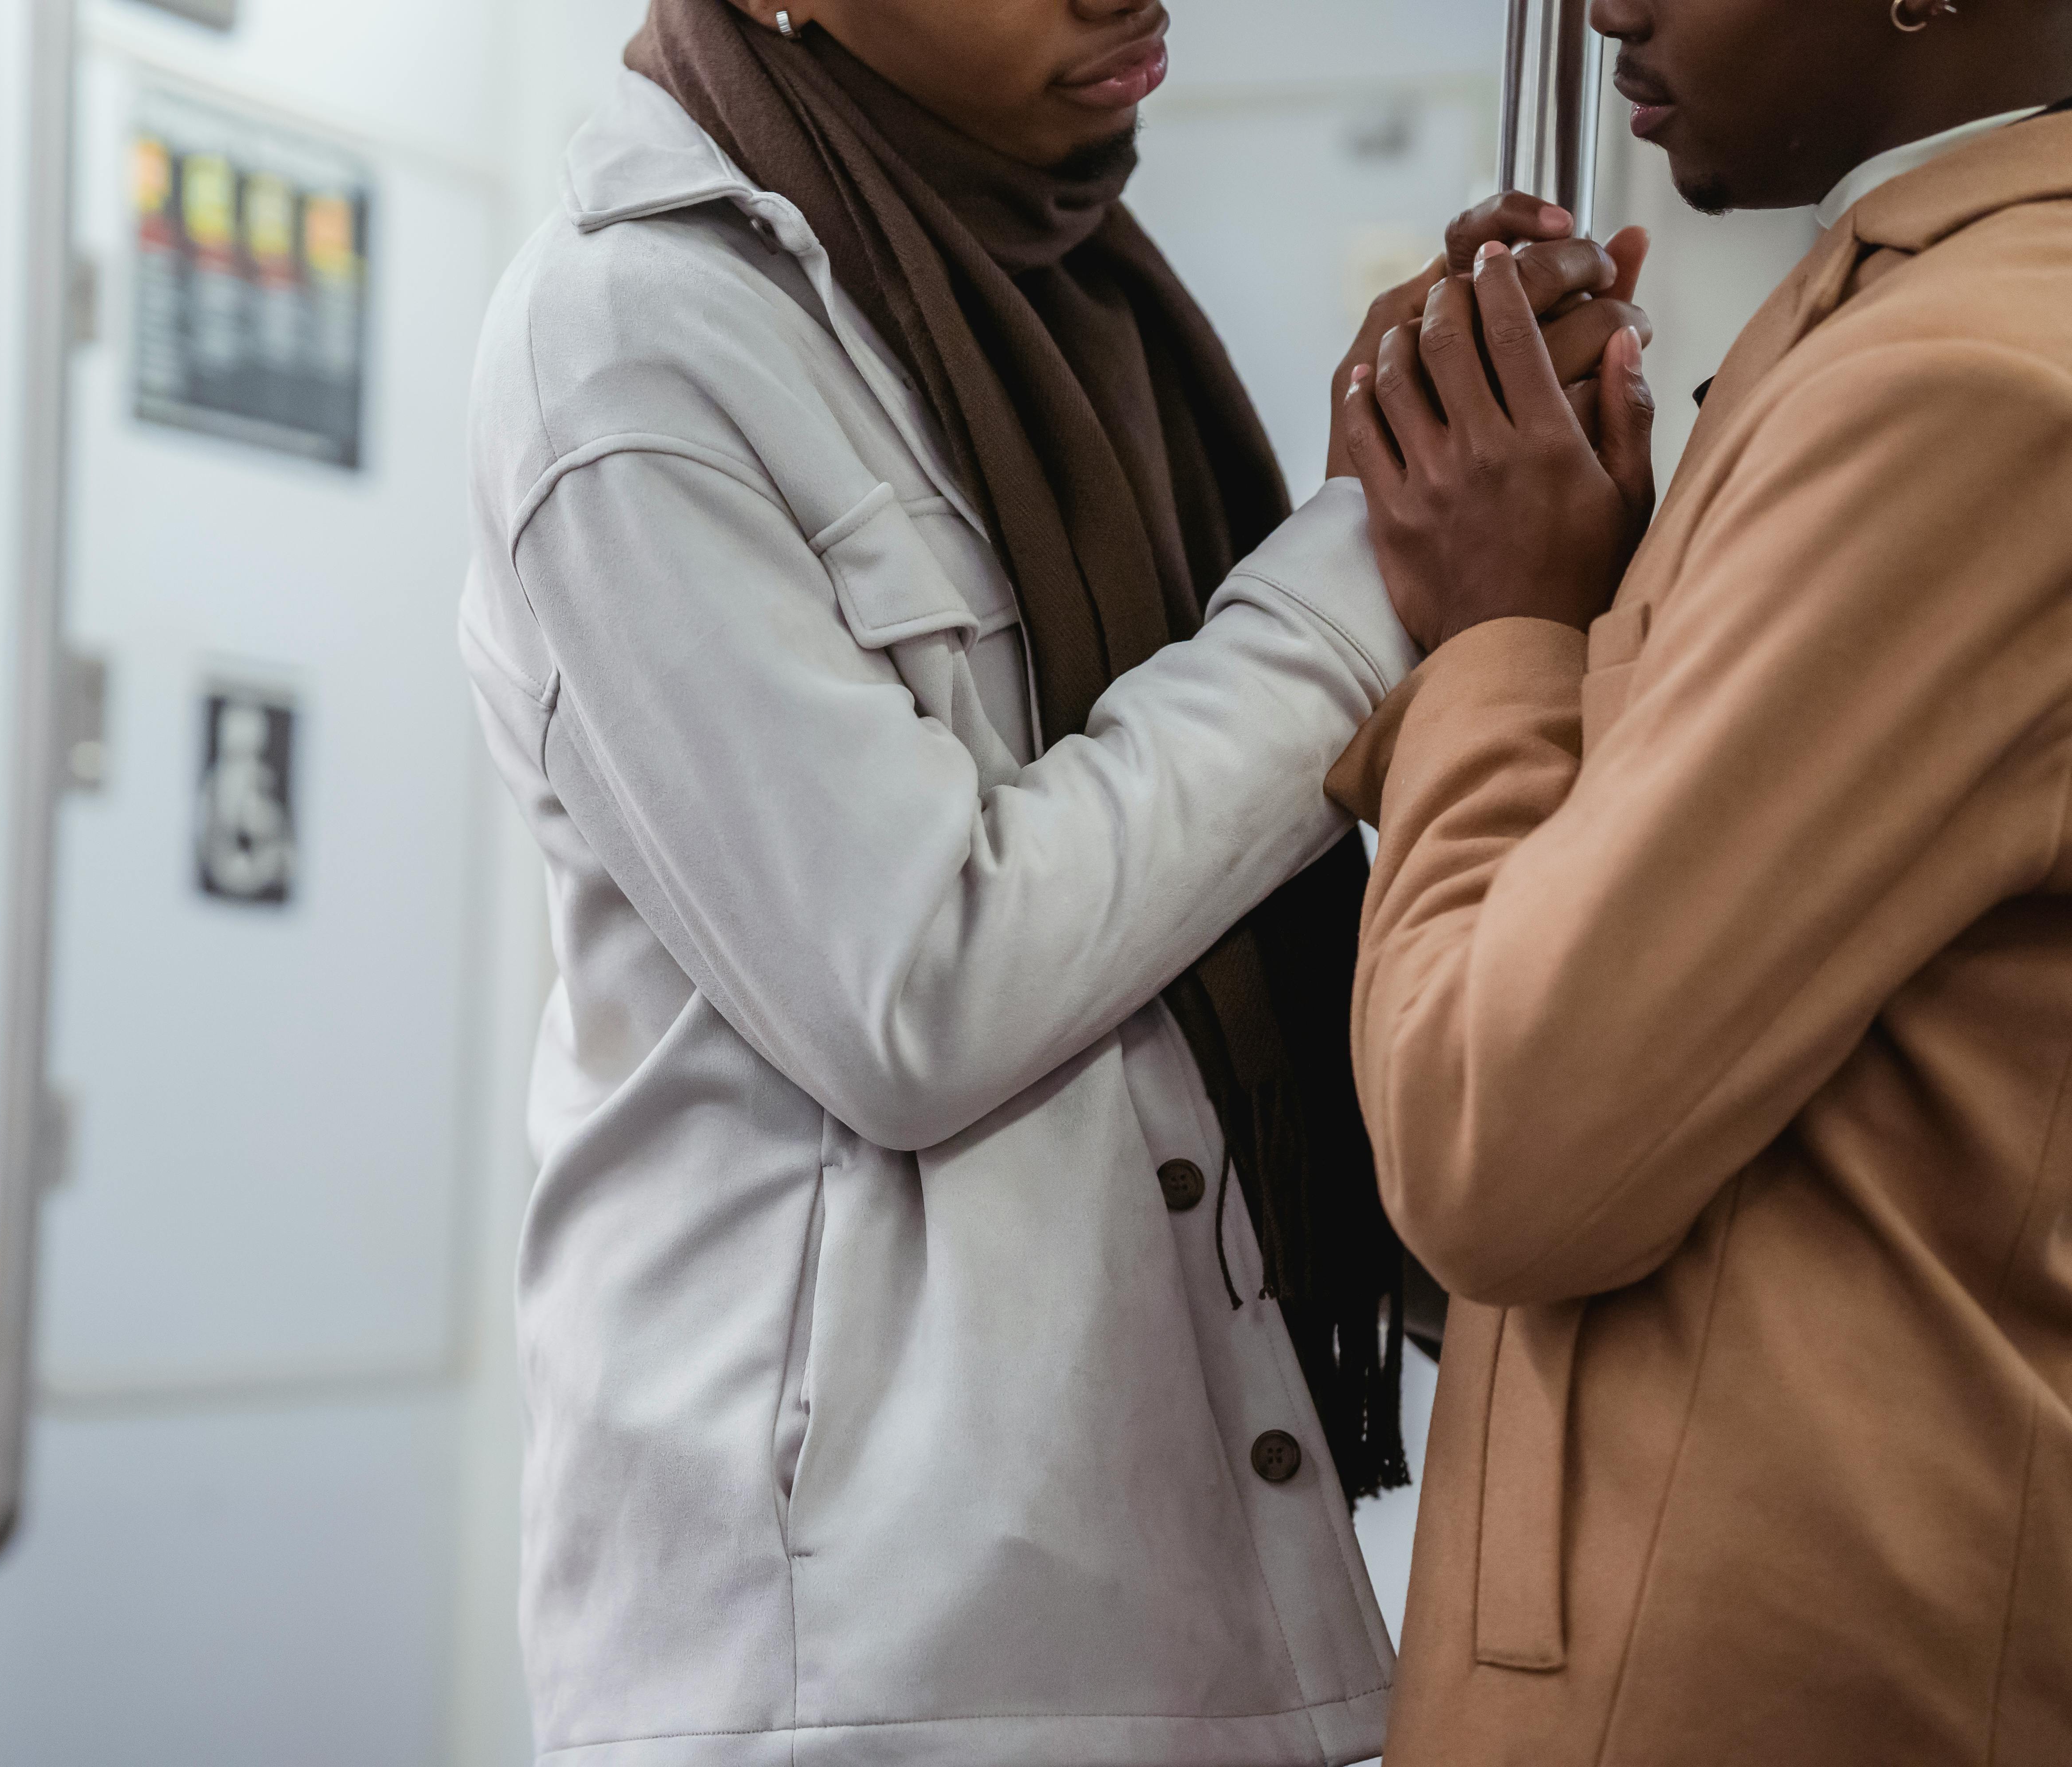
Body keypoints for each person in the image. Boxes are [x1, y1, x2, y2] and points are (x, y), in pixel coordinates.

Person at [459, 0, 1645, 1761]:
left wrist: (1459, 471)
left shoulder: (1067, 295)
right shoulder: (630, 346)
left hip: (1211, 1609)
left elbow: (1200, 941)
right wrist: (1385, 568)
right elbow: (914, 984)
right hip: (874, 1671)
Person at [1328, 0, 2072, 1759]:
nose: (1604, 13)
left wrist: (1505, 621)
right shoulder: (1893, 322)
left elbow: (1499, 1155)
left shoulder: (1961, 385)